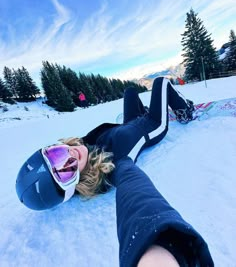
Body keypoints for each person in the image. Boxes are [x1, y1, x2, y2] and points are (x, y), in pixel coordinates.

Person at [16, 77, 214, 267]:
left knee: (129, 92)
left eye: (56, 154)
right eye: (66, 170)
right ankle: (186, 111)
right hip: (153, 124)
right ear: (76, 184)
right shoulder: (115, 165)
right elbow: (136, 195)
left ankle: (143, 109)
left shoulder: (83, 146)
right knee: (161, 83)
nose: (70, 156)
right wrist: (157, 244)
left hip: (132, 121)